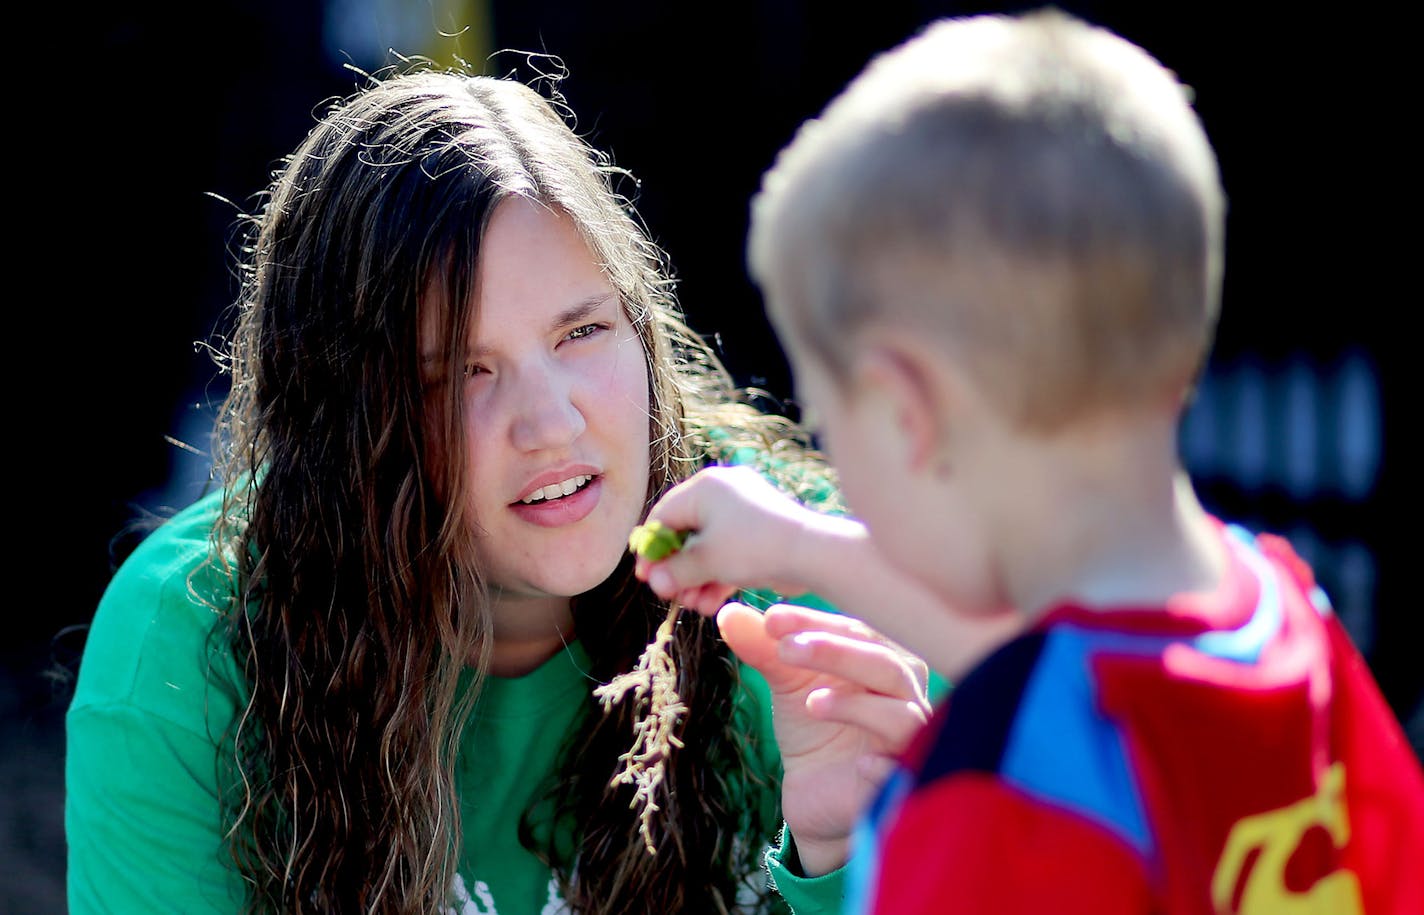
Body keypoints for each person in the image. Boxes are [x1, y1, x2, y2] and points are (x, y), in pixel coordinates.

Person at [64, 67, 932, 915]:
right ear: (341, 423)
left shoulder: (803, 593)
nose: (551, 422)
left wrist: (845, 856)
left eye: (583, 330)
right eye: (461, 374)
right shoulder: (190, 653)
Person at [634, 10, 1424, 914]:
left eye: (829, 415)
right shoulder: (1284, 615)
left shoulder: (989, 809)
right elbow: (1074, 664)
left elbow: (1046, 687)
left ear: (907, 412)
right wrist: (798, 546)